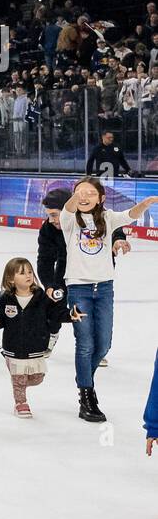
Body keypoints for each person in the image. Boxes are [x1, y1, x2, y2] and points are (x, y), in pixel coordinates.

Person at [57, 177, 158, 422]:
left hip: (103, 289)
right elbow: (68, 208)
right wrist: (78, 195)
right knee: (85, 344)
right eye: (80, 192)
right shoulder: (69, 220)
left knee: (103, 345)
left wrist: (143, 205)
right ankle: (87, 394)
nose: (84, 197)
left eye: (90, 193)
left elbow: (129, 215)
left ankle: (84, 380)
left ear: (101, 198)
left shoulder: (108, 217)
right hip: (78, 289)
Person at [0, 258, 81, 418]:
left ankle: (19, 384)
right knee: (19, 379)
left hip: (36, 347)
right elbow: (0, 318)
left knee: (37, 378)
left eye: (29, 271)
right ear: (11, 279)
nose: (28, 275)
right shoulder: (6, 299)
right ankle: (21, 402)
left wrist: (70, 314)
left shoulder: (41, 297)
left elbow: (55, 313)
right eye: (22, 273)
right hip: (14, 348)